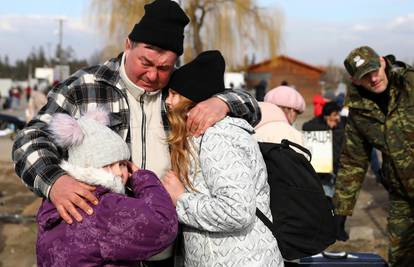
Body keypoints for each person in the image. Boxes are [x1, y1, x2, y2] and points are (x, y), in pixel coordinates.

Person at [12, 0, 260, 265]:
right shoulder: (85, 86)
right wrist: (55, 183)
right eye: (146, 62)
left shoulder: (177, 93)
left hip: (172, 249)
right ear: (128, 44)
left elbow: (253, 107)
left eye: (164, 68)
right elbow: (29, 140)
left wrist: (222, 102)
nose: (153, 75)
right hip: (106, 253)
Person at [161, 50, 284, 266]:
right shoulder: (197, 136)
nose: (167, 102)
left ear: (193, 99)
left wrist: (181, 200)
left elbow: (237, 212)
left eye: (174, 94)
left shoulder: (218, 137)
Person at [36, 109, 177, 266]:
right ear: (88, 167)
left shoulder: (55, 202)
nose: (119, 172)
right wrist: (144, 179)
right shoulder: (105, 206)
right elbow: (163, 226)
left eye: (123, 164)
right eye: (108, 165)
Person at [334, 45, 414, 266]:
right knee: (401, 256)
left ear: (382, 61)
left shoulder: (410, 84)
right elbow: (353, 160)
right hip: (401, 195)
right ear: (354, 80)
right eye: (364, 76)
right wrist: (340, 212)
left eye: (374, 70)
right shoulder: (359, 111)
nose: (373, 78)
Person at [303, 101, 345, 199]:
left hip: (337, 171)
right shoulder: (316, 122)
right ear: (326, 116)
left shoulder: (340, 125)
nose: (337, 118)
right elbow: (306, 127)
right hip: (322, 175)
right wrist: (327, 128)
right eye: (335, 115)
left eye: (338, 114)